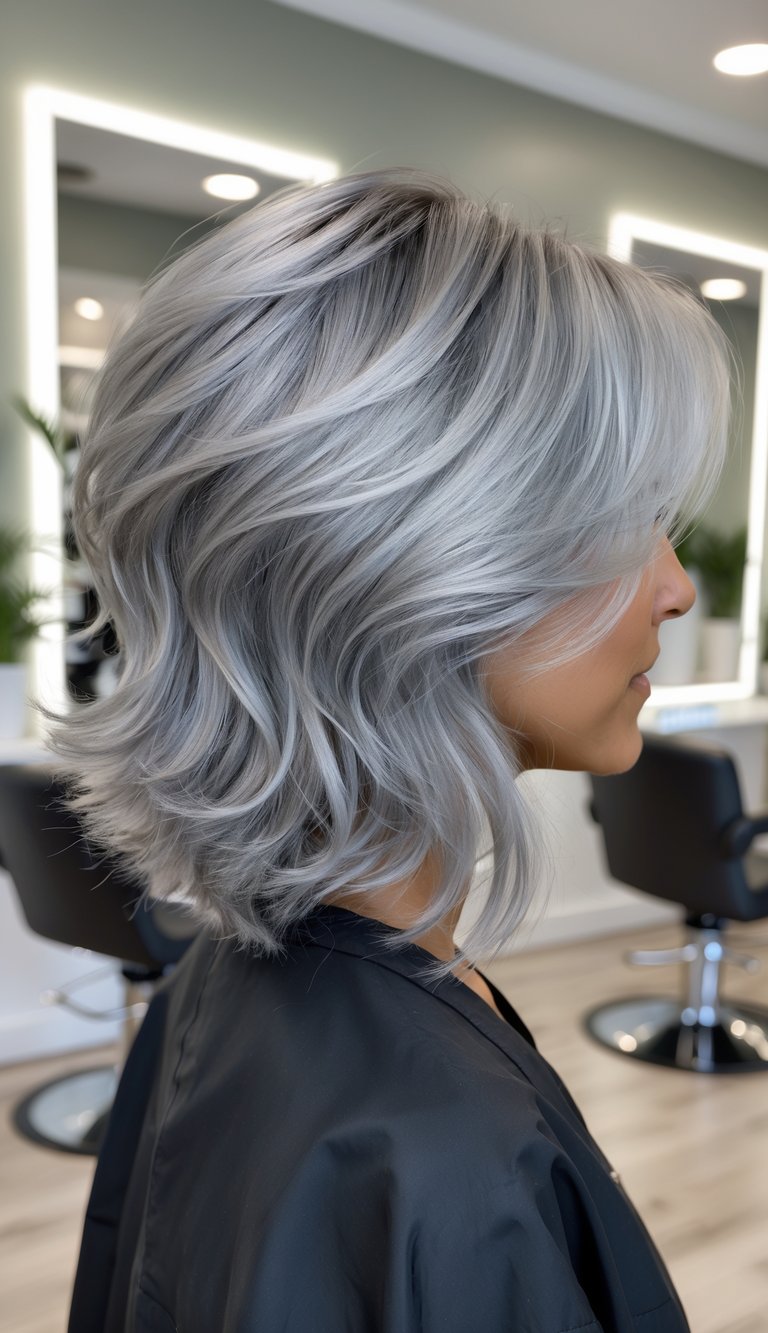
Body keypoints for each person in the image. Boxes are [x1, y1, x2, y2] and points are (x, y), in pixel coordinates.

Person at [39, 167, 733, 1332]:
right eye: (626, 518)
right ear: (412, 566)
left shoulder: (221, 981)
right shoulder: (447, 1174)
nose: (675, 585)